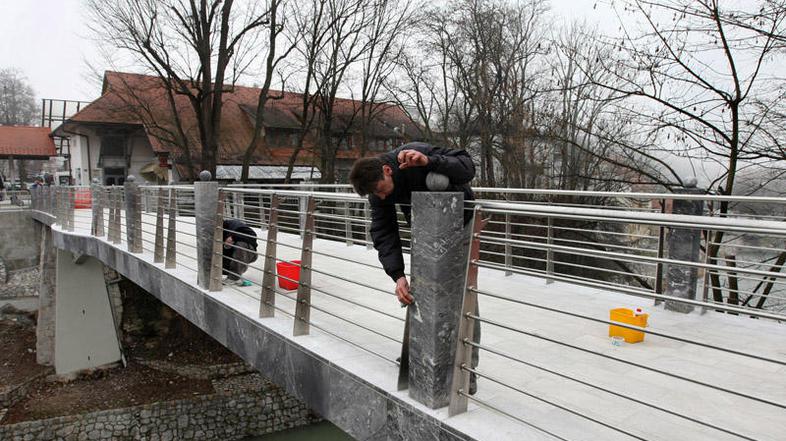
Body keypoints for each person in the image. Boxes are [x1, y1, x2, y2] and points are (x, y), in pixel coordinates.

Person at [349, 141, 480, 394]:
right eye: (376, 195)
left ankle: (467, 372)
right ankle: (420, 355)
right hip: (426, 228)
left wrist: (430, 161)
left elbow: (467, 167)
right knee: (419, 288)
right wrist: (397, 276)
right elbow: (384, 231)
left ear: (387, 170)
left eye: (381, 190)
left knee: (462, 295)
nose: (383, 197)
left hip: (461, 222)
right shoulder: (378, 191)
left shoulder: (416, 152)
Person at [222, 219, 258, 286]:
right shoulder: (213, 232)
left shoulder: (234, 225)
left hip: (248, 253)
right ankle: (236, 271)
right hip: (230, 256)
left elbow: (252, 236)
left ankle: (234, 277)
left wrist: (234, 237)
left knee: (241, 244)